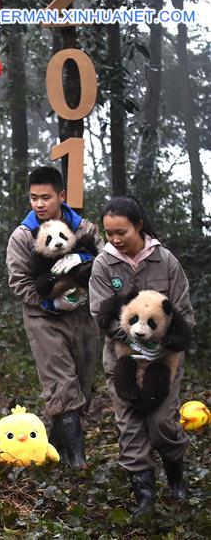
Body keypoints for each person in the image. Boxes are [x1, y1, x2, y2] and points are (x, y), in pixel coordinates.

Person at [89, 195, 194, 516]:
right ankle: (144, 493)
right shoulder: (104, 264)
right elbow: (100, 313)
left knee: (162, 420)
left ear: (138, 225)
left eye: (121, 232)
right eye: (109, 233)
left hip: (165, 360)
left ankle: (175, 474)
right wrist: (134, 339)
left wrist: (162, 343)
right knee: (130, 421)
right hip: (122, 358)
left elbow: (184, 314)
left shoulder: (166, 262)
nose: (115, 240)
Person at [5, 166, 102, 468]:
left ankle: (54, 450)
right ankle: (77, 462)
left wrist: (83, 258)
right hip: (44, 316)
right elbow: (19, 282)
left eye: (45, 197)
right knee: (61, 383)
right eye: (33, 198)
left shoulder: (84, 228)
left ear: (61, 196)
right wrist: (53, 301)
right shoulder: (22, 236)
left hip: (84, 314)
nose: (39, 204)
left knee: (82, 384)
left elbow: (107, 260)